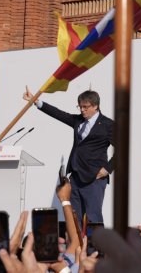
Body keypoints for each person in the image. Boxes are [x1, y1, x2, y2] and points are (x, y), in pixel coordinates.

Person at [23, 88, 114, 224]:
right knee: (73, 218)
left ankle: (94, 246)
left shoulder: (108, 125)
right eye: (80, 106)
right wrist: (36, 101)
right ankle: (76, 245)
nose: (82, 110)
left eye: (85, 107)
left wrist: (107, 169)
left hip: (94, 179)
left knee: (92, 218)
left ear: (95, 106)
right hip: (75, 178)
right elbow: (58, 114)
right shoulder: (78, 121)